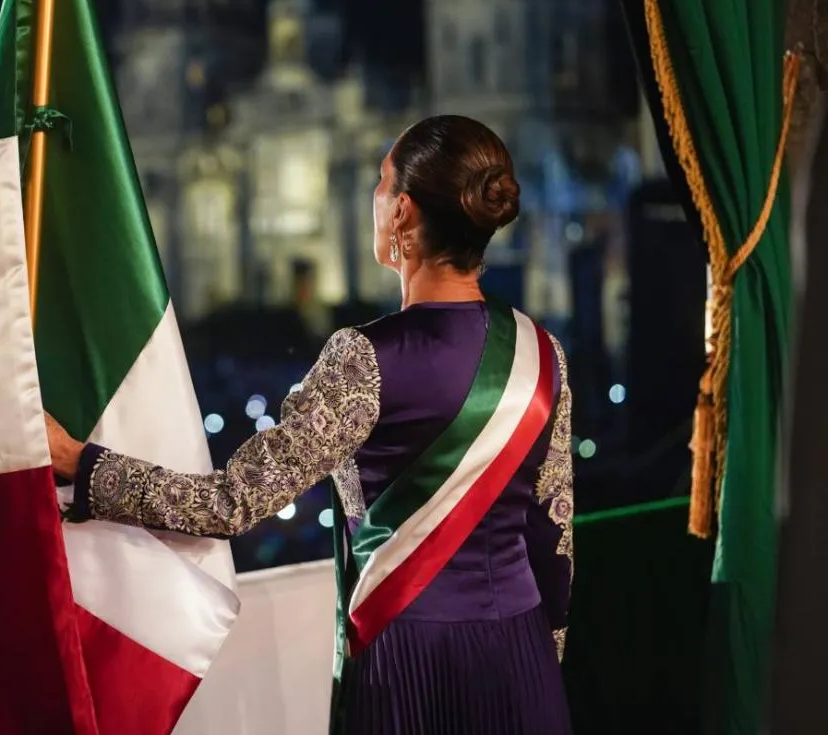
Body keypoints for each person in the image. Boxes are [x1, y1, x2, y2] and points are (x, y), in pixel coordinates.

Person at [46, 115, 573, 735]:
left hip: (407, 659)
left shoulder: (363, 358)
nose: (373, 196)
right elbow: (555, 540)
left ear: (402, 211)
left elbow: (231, 502)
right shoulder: (544, 353)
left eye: (381, 181)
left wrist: (83, 466)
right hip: (522, 656)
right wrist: (539, 659)